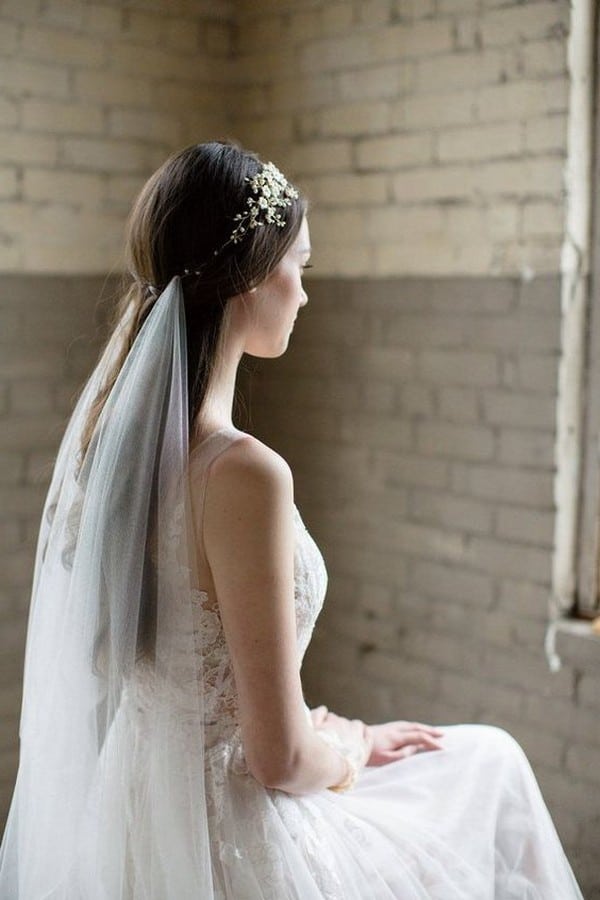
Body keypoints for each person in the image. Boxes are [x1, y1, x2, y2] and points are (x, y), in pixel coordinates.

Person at [0, 141, 583, 899]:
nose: (305, 293)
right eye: (299, 265)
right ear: (249, 276)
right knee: (493, 764)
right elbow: (277, 761)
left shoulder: (111, 450)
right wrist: (354, 745)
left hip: (136, 809)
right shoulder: (243, 473)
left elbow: (182, 670)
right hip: (223, 833)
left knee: (477, 761)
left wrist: (318, 730)